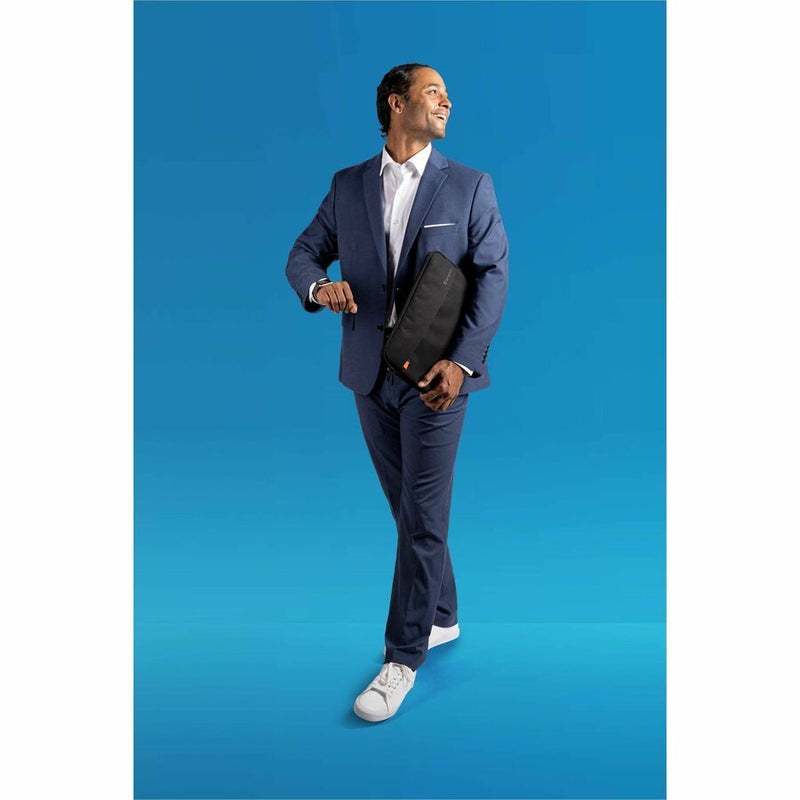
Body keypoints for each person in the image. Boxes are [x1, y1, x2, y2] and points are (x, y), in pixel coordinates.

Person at [285, 63, 509, 722]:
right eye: (433, 92)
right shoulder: (348, 185)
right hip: (368, 373)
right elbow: (302, 254)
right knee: (408, 509)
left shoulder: (468, 186)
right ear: (395, 103)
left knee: (422, 513)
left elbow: (492, 275)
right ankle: (442, 614)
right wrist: (319, 287)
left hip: (437, 379)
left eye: (447, 94)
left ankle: (401, 658)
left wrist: (462, 364)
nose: (447, 101)